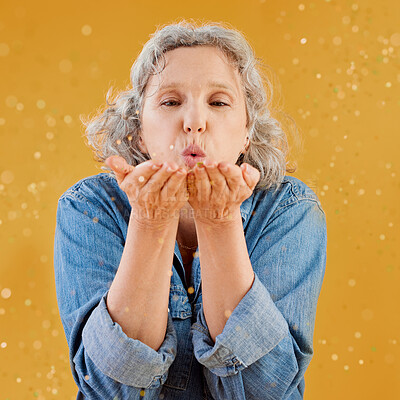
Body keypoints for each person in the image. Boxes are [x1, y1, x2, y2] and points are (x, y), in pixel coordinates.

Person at [54, 20, 327, 400]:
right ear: (139, 132)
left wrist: (220, 221)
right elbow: (108, 390)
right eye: (170, 102)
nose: (195, 122)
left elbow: (265, 390)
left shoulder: (291, 210)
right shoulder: (87, 208)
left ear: (247, 130)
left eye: (218, 102)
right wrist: (151, 223)